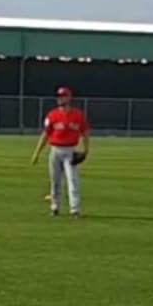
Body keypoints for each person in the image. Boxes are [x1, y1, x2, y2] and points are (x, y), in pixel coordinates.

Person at [31, 87, 90, 217]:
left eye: (62, 96)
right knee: (55, 181)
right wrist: (37, 153)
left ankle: (74, 209)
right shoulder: (52, 115)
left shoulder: (78, 115)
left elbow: (85, 132)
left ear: (69, 98)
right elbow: (45, 135)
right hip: (55, 150)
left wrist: (86, 150)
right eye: (58, 96)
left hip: (70, 151)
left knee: (72, 180)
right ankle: (55, 207)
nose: (59, 98)